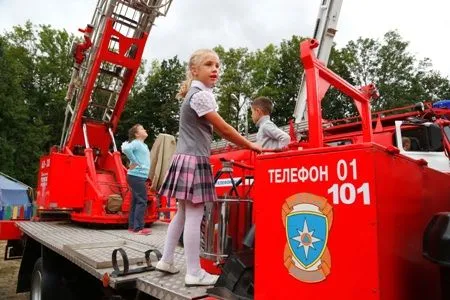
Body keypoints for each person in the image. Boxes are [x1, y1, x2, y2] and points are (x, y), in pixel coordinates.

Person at [155, 49, 262, 286]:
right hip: (194, 159)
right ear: (194, 70)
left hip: (185, 157)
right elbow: (224, 129)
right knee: (195, 214)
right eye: (208, 64)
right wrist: (251, 146)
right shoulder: (201, 96)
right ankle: (194, 272)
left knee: (182, 213)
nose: (215, 69)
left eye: (217, 65)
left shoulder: (194, 94)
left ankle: (166, 259)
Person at [121, 124, 151, 235]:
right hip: (136, 176)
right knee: (142, 201)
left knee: (136, 201)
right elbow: (127, 149)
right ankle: (138, 228)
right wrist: (134, 161)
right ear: (137, 134)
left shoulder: (144, 145)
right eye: (142, 129)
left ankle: (133, 226)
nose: (145, 130)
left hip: (137, 176)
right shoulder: (136, 143)